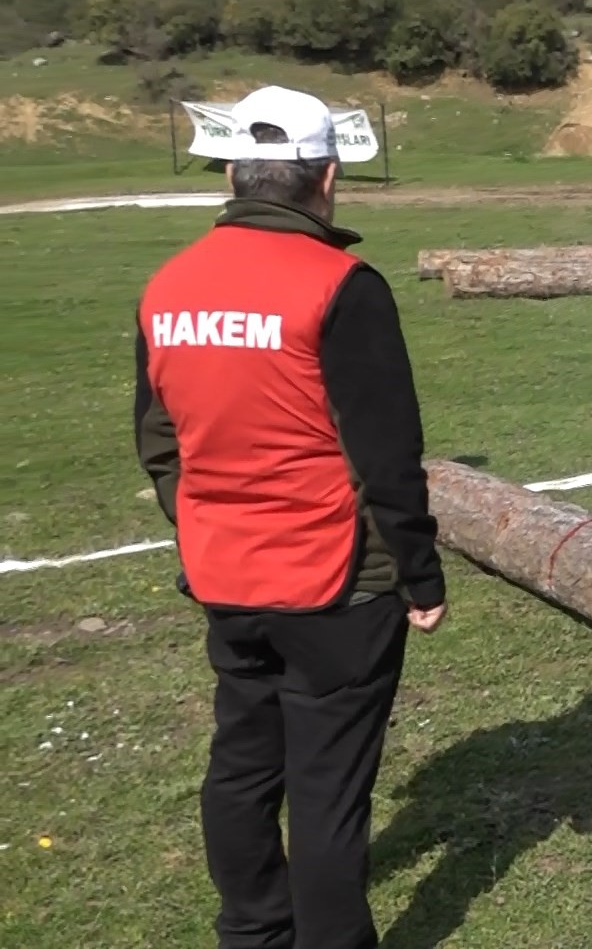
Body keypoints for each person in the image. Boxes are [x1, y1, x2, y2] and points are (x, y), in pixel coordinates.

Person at [134, 83, 447, 949]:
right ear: (329, 176)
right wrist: (419, 573)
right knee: (327, 789)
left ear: (232, 171)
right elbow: (386, 453)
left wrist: (205, 523)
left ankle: (253, 933)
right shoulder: (342, 283)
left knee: (240, 766)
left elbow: (159, 442)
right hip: (335, 580)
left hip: (226, 577)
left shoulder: (168, 287)